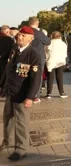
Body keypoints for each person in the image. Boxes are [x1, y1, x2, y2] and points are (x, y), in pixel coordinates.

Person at [0, 26, 42, 161]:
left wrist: (30, 97)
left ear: (30, 39)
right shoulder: (14, 51)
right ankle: (8, 142)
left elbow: (36, 79)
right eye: (19, 35)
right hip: (10, 92)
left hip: (22, 94)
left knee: (21, 122)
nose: (20, 37)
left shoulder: (33, 54)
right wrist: (3, 86)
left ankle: (21, 149)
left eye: (24, 36)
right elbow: (8, 71)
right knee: (7, 119)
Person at [29, 17, 50, 103]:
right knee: (38, 76)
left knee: (25, 74)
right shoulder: (39, 33)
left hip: (26, 56)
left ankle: (25, 94)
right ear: (37, 24)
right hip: (38, 57)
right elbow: (48, 42)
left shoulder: (23, 31)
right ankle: (35, 96)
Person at [45, 31, 68, 99]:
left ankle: (49, 93)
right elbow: (65, 53)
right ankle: (62, 93)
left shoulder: (50, 43)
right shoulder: (63, 43)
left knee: (50, 78)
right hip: (60, 61)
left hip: (51, 61)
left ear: (52, 36)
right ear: (60, 36)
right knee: (59, 77)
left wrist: (47, 59)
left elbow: (46, 51)